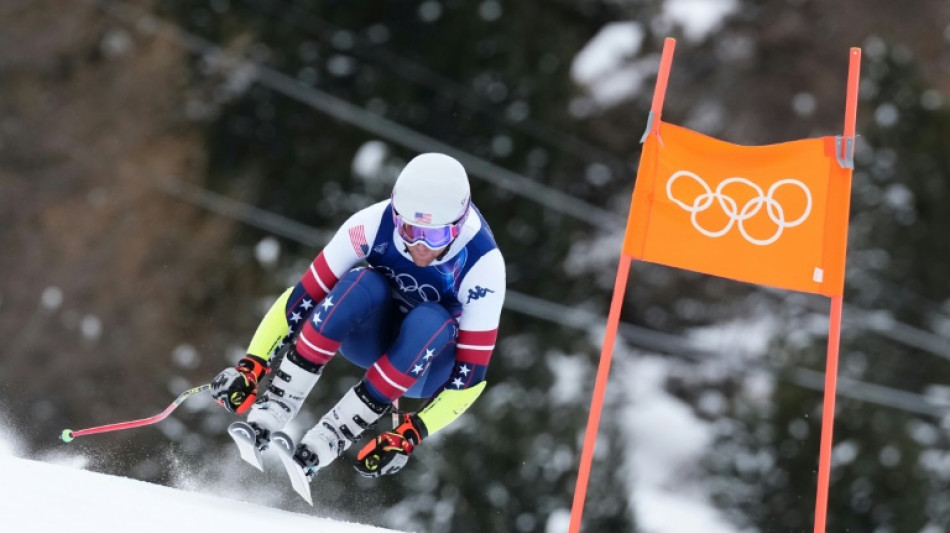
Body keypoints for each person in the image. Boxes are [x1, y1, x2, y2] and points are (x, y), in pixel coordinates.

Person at [210, 152, 506, 480]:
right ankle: (276, 405)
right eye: (409, 229)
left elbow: (469, 379)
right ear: (396, 215)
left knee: (431, 320)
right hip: (368, 338)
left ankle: (330, 437)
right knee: (361, 282)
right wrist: (253, 362)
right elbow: (301, 297)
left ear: (458, 226)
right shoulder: (370, 225)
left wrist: (412, 433)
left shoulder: (483, 266)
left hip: (426, 367)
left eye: (434, 236)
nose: (420, 245)